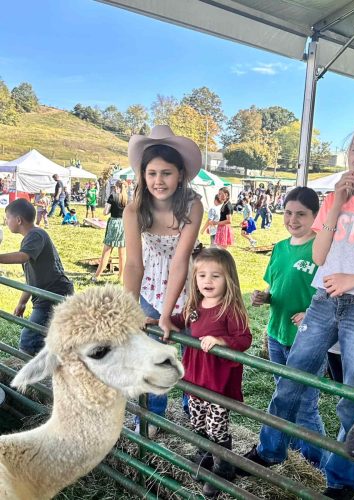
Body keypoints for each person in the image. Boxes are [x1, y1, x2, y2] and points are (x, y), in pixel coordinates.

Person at [241, 122, 354, 500]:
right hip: (323, 300)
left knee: (353, 398)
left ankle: (343, 480)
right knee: (292, 376)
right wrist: (338, 205)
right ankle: (270, 449)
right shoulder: (334, 198)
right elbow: (318, 255)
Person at [123, 125, 203, 438]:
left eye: (166, 173)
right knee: (152, 356)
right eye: (152, 173)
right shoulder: (134, 209)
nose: (159, 181)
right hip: (148, 288)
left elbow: (181, 261)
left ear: (180, 174)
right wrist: (130, 309)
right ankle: (153, 418)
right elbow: (132, 263)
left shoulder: (192, 206)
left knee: (192, 352)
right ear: (143, 175)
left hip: (187, 288)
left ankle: (192, 409)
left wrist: (168, 314)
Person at [248, 186, 327, 469]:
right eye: (289, 213)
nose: (293, 220)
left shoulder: (321, 249)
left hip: (307, 339)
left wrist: (311, 313)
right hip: (277, 331)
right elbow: (276, 287)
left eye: (301, 215)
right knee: (283, 393)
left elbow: (332, 296)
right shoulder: (280, 248)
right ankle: (293, 449)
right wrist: (264, 297)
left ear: (315, 216)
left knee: (305, 404)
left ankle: (321, 464)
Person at [169, 248, 252, 497]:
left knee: (217, 427)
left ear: (229, 279)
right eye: (202, 275)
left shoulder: (230, 309)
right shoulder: (195, 305)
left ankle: (223, 469)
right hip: (195, 379)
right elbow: (180, 320)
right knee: (197, 420)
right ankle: (206, 455)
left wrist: (221, 341)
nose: (207, 281)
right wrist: (161, 321)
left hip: (217, 382)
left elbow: (244, 339)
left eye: (216, 276)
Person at [0, 199, 74, 355]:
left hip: (53, 294)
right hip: (46, 294)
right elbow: (31, 279)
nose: (6, 222)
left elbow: (22, 257)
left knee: (29, 341)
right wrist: (22, 303)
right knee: (46, 339)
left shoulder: (36, 234)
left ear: (18, 220)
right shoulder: (30, 239)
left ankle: (29, 375)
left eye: (7, 218)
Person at [92, 180, 128, 283]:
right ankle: (121, 278)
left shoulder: (113, 196)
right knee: (122, 254)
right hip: (124, 224)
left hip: (114, 224)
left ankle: (97, 276)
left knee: (106, 252)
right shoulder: (127, 198)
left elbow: (105, 212)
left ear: (117, 187)